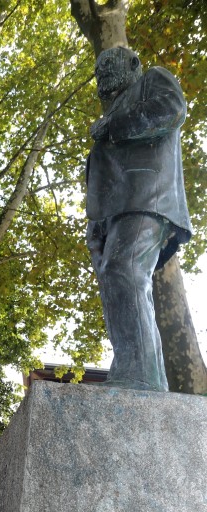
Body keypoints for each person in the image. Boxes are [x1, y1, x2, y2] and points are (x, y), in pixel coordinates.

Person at [86, 47, 192, 391]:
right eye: (98, 68)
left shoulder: (151, 80)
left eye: (108, 64)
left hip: (147, 198)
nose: (101, 71)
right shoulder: (112, 110)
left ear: (132, 64)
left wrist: (111, 125)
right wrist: (96, 222)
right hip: (111, 213)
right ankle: (137, 370)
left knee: (125, 271)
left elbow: (171, 109)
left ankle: (139, 375)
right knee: (114, 281)